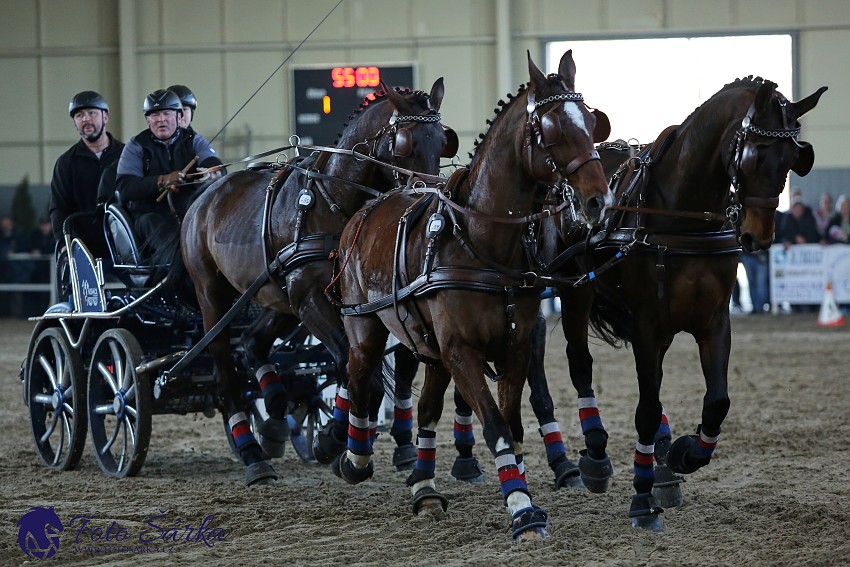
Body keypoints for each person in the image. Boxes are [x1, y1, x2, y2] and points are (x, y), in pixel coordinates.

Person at [115, 89, 223, 261]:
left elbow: (214, 163)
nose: (161, 120)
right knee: (159, 229)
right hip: (149, 216)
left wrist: (213, 173)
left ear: (179, 117)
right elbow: (125, 187)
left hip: (189, 214)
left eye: (167, 113)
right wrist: (162, 180)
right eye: (155, 115)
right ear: (147, 120)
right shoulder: (136, 145)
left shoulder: (194, 140)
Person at [49, 91, 124, 257]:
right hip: (84, 244)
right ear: (75, 123)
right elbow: (59, 208)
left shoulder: (127, 155)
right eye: (79, 115)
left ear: (105, 117)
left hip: (125, 241)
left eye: (92, 113)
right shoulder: (66, 163)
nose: (86, 119)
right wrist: (64, 244)